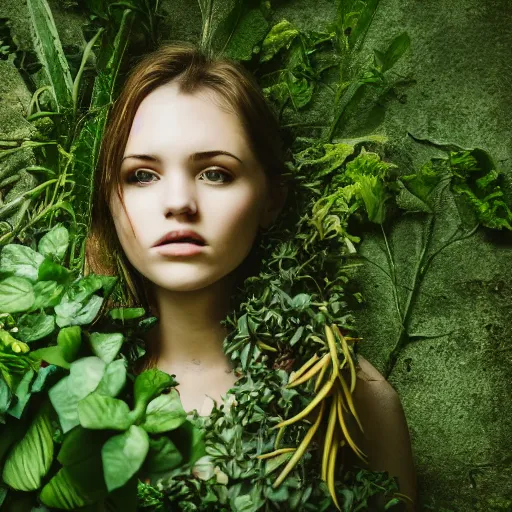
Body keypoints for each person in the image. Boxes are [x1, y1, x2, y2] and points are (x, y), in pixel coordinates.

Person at [85, 42, 417, 511]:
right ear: (109, 199)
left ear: (271, 200)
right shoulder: (57, 384)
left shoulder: (347, 395)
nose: (179, 202)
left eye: (216, 173)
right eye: (141, 175)